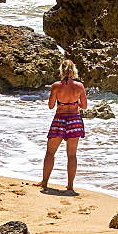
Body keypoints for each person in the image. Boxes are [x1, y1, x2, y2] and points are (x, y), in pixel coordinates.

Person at [37, 60, 87, 193]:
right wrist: (74, 102)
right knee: (72, 154)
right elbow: (84, 106)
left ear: (62, 70)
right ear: (73, 70)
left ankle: (45, 182)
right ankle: (70, 185)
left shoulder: (56, 86)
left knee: (50, 152)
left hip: (60, 119)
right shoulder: (79, 86)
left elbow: (51, 106)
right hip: (75, 120)